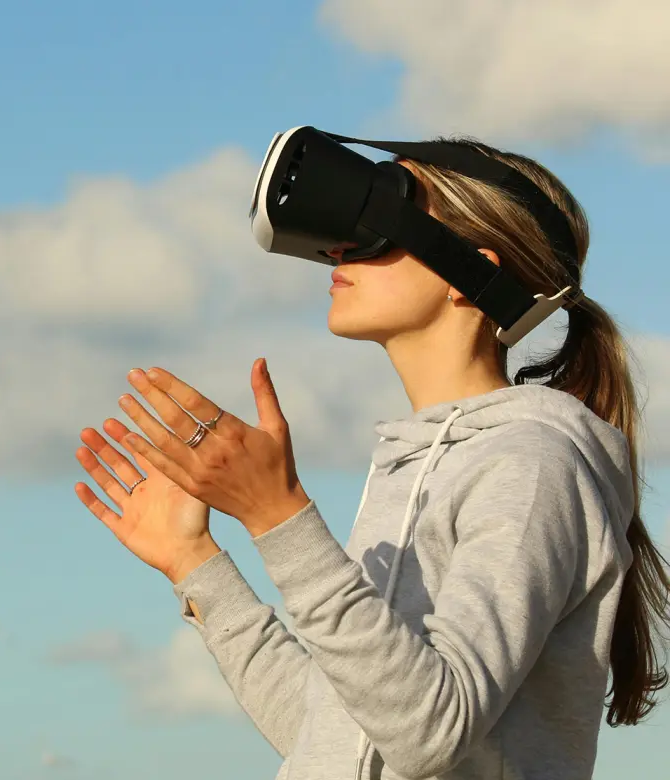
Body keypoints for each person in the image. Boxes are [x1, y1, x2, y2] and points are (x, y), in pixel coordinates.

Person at [73, 137, 670, 780]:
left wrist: (278, 517)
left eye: (381, 217)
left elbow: (429, 733)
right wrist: (197, 566)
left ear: (470, 275)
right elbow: (335, 734)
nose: (335, 248)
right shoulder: (410, 466)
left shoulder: (533, 466)